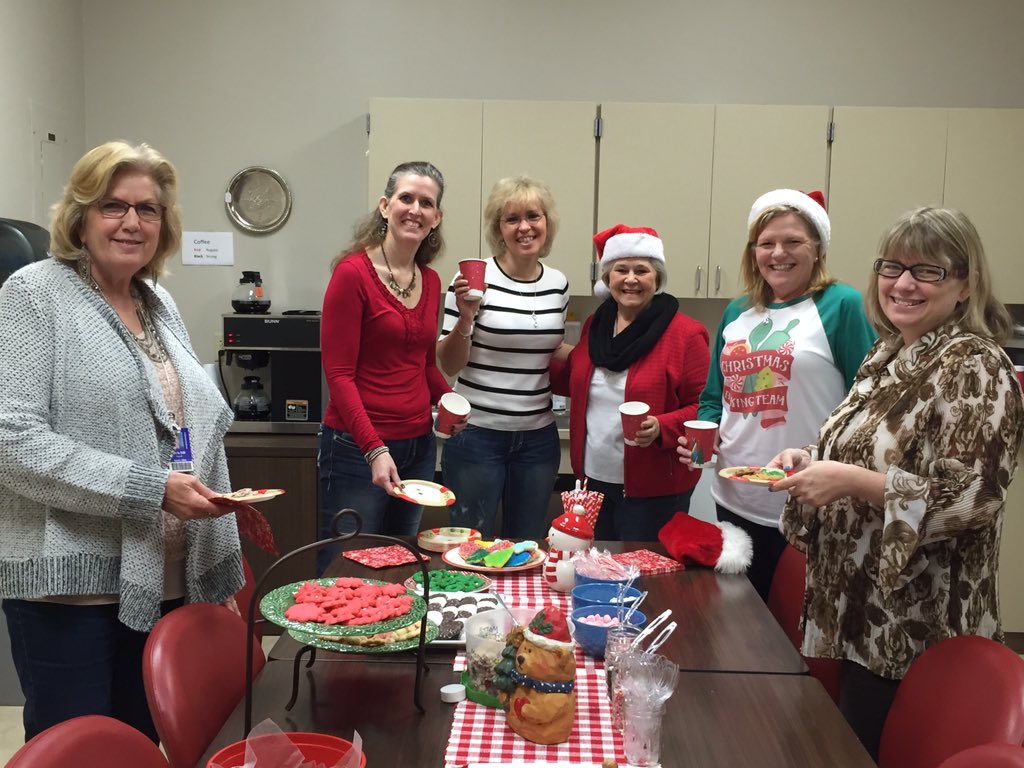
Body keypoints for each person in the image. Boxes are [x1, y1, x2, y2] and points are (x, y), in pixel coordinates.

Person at [0, 141, 244, 742]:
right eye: (113, 206)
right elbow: (12, 441)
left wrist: (216, 536)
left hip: (161, 577)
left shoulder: (156, 301)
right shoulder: (35, 294)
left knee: (140, 744)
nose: (133, 222)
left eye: (149, 209)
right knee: (83, 749)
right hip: (70, 590)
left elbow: (188, 424)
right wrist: (151, 488)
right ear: (80, 217)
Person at [768, 206, 1024, 760]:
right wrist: (811, 458)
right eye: (892, 267)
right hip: (860, 614)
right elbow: (867, 448)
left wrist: (850, 481)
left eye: (928, 270)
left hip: (915, 621)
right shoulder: (888, 355)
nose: (903, 283)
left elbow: (974, 496)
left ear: (966, 284)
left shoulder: (974, 365)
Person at [677, 189, 875, 600]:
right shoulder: (738, 312)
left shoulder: (841, 305)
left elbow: (870, 402)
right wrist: (707, 432)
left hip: (807, 498)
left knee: (797, 626)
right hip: (734, 492)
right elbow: (717, 395)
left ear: (817, 248)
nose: (777, 253)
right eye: (766, 243)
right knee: (738, 618)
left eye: (792, 242)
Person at [318, 161, 461, 573]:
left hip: (417, 447)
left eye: (426, 202)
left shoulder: (431, 281)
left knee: (402, 565)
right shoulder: (352, 274)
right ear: (385, 206)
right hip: (355, 448)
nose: (415, 209)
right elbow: (339, 376)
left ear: (437, 218)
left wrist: (449, 400)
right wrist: (374, 449)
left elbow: (420, 364)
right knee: (348, 567)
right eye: (406, 198)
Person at [550, 225, 710, 540]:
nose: (631, 279)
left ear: (657, 278)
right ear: (608, 278)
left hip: (655, 489)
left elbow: (705, 407)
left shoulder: (685, 334)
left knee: (646, 577)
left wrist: (662, 426)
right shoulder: (597, 326)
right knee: (596, 567)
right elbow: (579, 380)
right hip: (592, 482)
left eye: (642, 270)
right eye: (621, 269)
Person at [437, 176, 569, 540]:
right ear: (499, 228)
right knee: (470, 545)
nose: (524, 227)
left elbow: (552, 348)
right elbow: (449, 364)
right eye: (512, 219)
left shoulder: (557, 284)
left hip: (539, 439)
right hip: (477, 434)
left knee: (526, 547)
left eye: (533, 216)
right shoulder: (472, 279)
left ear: (547, 222)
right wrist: (465, 315)